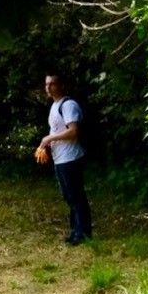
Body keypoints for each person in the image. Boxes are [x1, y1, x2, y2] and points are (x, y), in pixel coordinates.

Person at [42, 73, 93, 245]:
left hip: (71, 157)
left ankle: (83, 233)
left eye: (52, 84)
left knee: (76, 195)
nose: (48, 87)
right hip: (60, 158)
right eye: (46, 84)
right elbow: (56, 130)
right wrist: (46, 144)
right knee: (69, 196)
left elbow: (73, 131)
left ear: (61, 85)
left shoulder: (69, 105)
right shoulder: (54, 106)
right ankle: (75, 230)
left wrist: (50, 138)